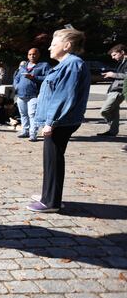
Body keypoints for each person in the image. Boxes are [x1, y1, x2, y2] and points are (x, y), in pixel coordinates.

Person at [27, 29, 90, 213]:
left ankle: (51, 201)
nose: (49, 47)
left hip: (61, 122)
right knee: (51, 160)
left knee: (53, 160)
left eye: (54, 44)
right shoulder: (67, 64)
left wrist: (51, 122)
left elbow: (63, 97)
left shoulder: (72, 64)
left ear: (67, 45)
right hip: (60, 121)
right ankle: (49, 195)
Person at [13, 48, 51, 142]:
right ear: (27, 55)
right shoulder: (23, 66)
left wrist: (34, 77)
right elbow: (16, 78)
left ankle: (33, 134)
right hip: (21, 94)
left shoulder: (43, 65)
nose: (32, 56)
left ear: (38, 55)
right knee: (23, 114)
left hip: (34, 95)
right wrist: (16, 86)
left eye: (34, 54)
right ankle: (25, 131)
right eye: (30, 54)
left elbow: (49, 77)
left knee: (32, 114)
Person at [98, 44, 126, 136]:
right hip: (115, 90)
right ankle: (113, 131)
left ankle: (113, 128)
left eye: (114, 55)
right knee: (114, 112)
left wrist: (113, 75)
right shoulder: (122, 62)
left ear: (122, 52)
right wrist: (110, 75)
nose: (113, 58)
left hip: (119, 91)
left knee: (104, 111)